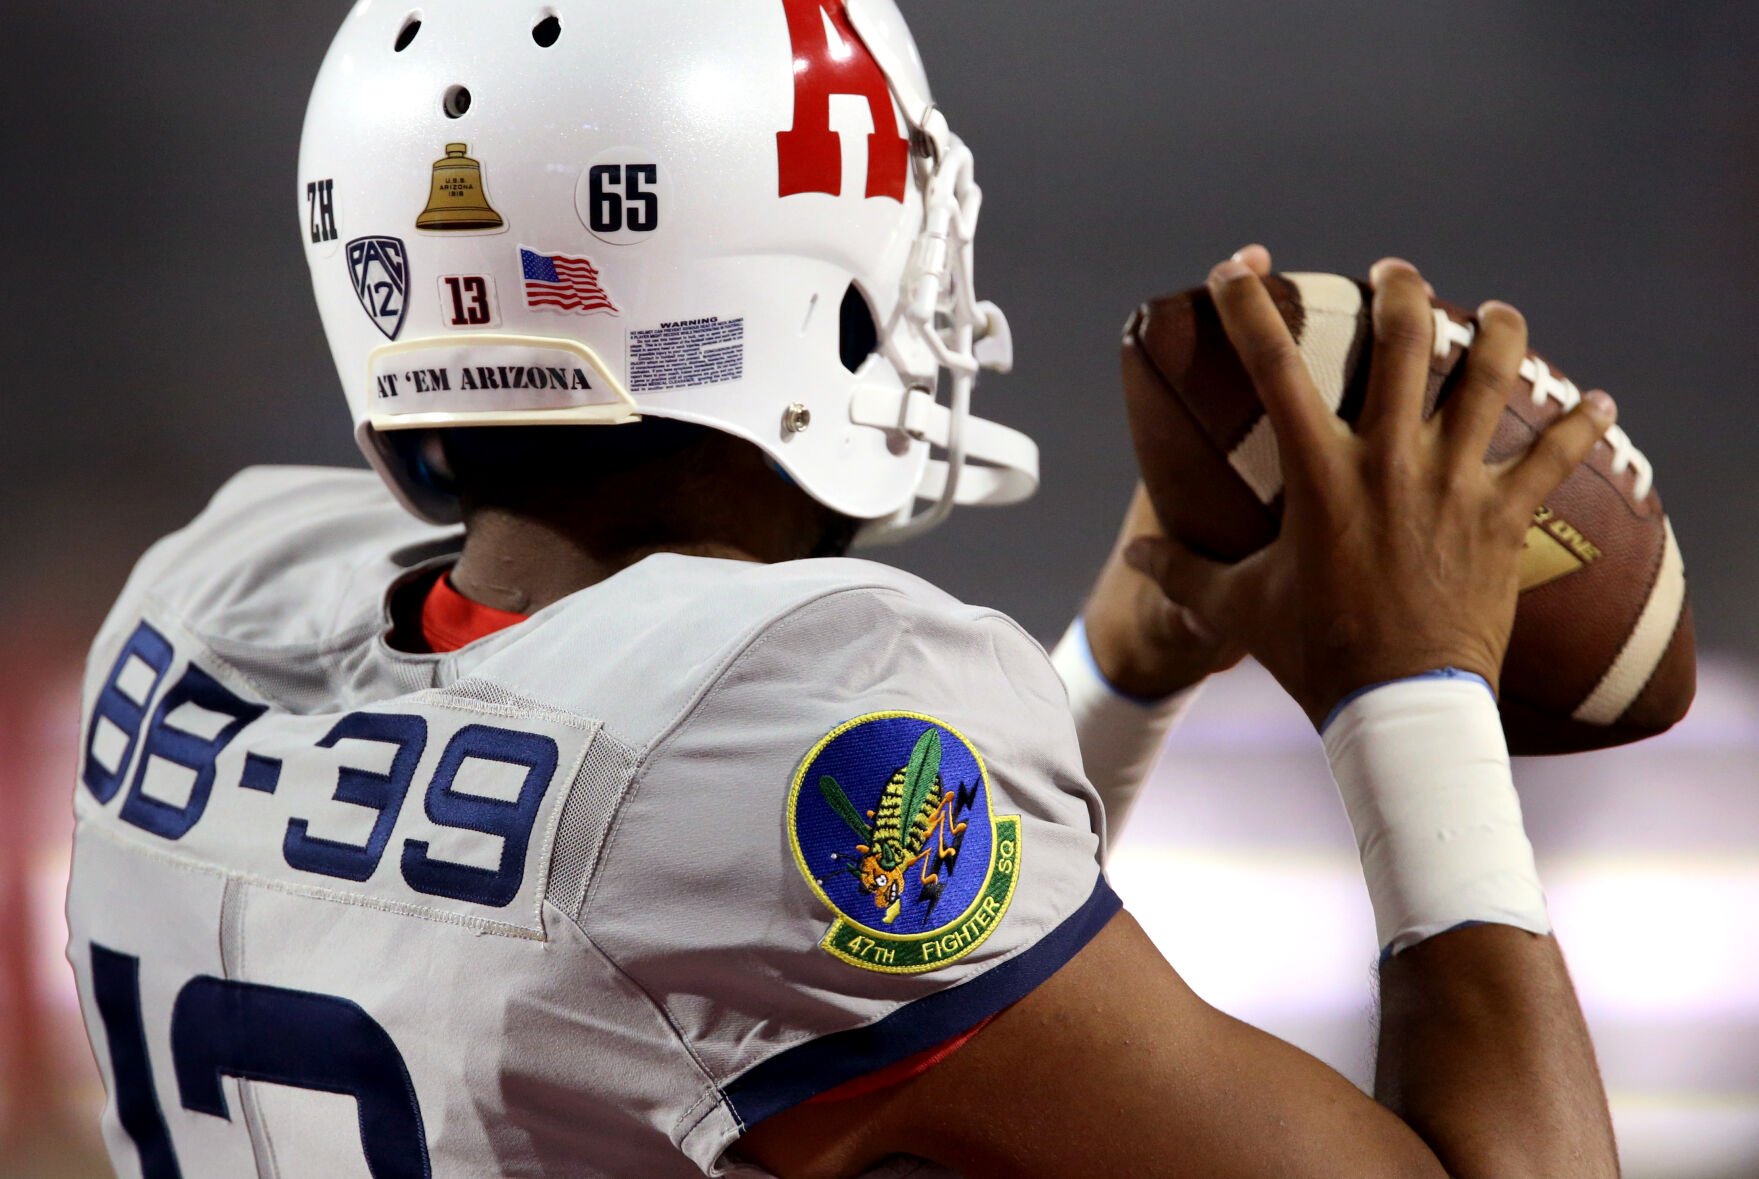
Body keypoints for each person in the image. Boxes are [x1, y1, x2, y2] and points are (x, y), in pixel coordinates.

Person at [66, 2, 1622, 1176]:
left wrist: (1125, 674)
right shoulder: (781, 710)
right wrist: (1411, 682)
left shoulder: (202, 608)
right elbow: (745, 867)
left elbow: (789, 949)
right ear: (802, 276)